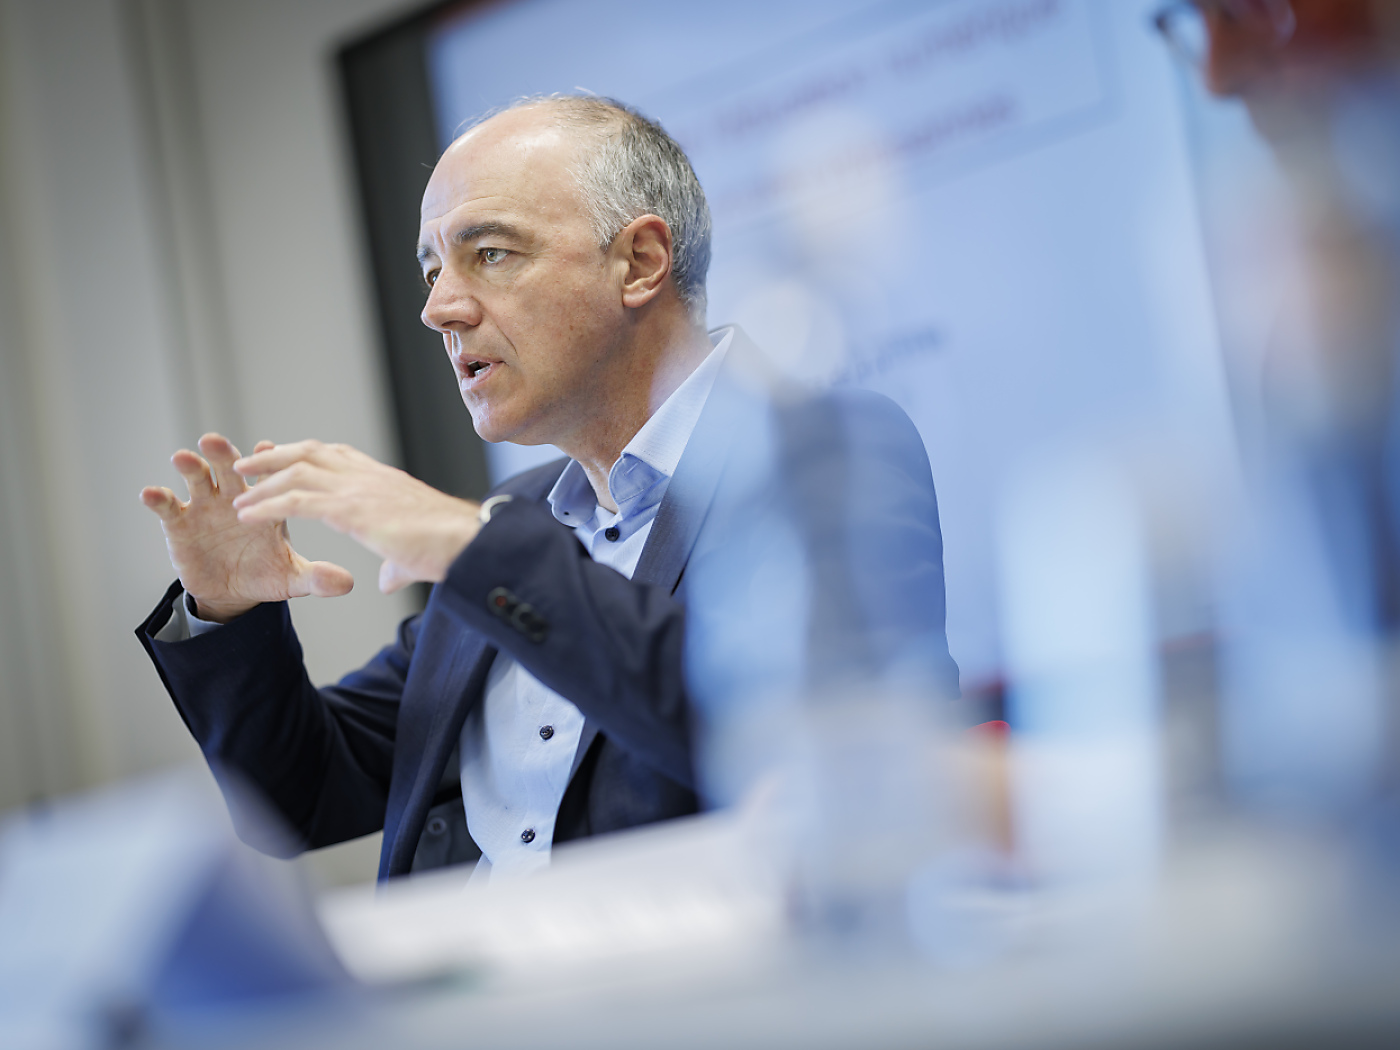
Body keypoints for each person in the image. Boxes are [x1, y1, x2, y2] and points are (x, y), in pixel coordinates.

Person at [136, 95, 958, 883]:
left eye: (490, 254)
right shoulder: (521, 520)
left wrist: (479, 551)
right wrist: (227, 610)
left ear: (639, 262)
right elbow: (300, 797)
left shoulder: (822, 450)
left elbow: (806, 739)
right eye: (432, 270)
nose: (438, 309)